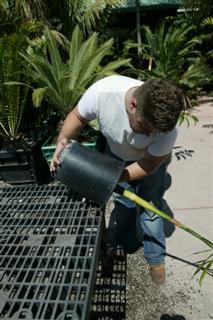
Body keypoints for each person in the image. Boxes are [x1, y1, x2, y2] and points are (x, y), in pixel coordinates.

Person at [50, 75, 185, 285]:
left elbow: (148, 165)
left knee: (150, 208)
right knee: (124, 203)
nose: (151, 134)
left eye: (155, 132)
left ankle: (155, 257)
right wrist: (63, 140)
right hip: (116, 154)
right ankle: (126, 243)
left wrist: (117, 177)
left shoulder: (165, 128)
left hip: (150, 161)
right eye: (146, 127)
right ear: (133, 105)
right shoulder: (103, 93)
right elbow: (78, 116)